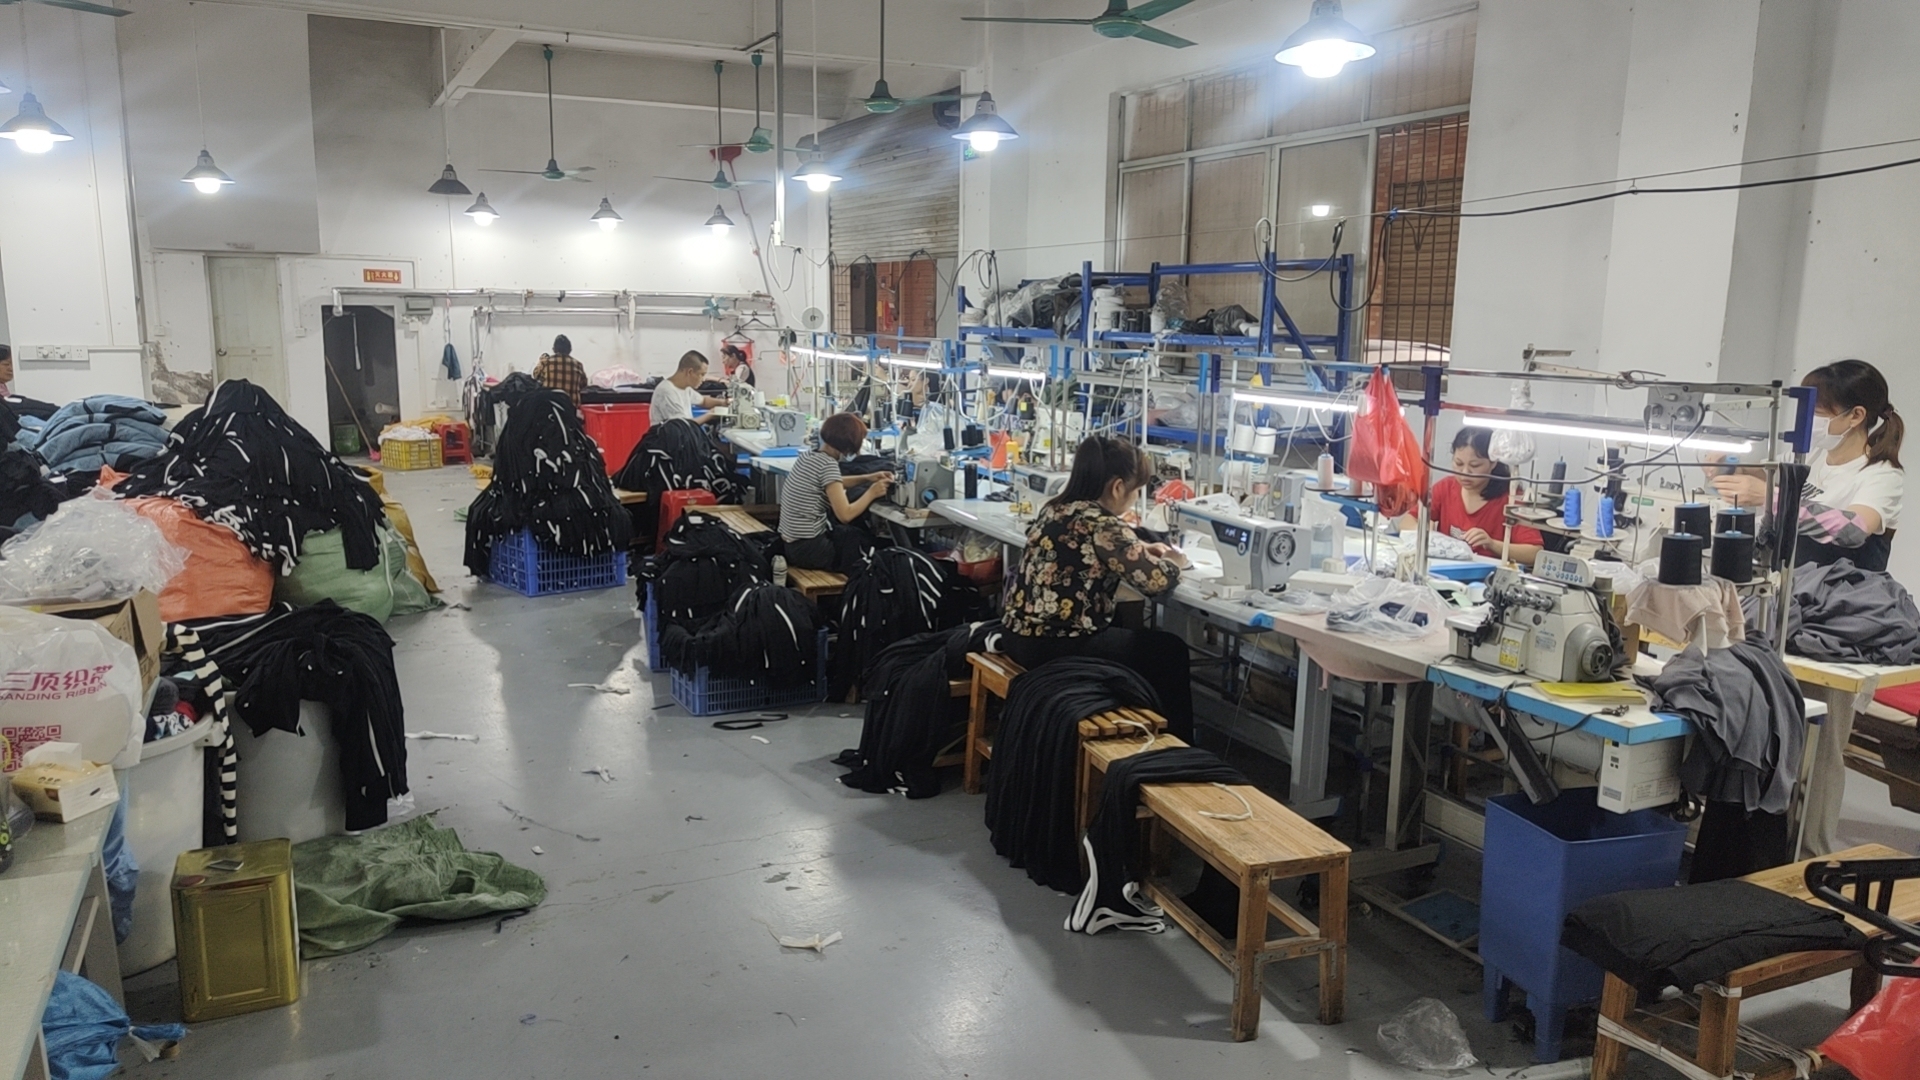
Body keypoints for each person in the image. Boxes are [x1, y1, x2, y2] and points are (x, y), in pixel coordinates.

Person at [1001, 435, 1196, 740]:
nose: (1134, 497)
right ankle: (1177, 743)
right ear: (1117, 487)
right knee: (1169, 651)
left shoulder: (1056, 508)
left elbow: (1090, 548)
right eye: (1136, 490)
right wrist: (1175, 562)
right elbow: (1155, 583)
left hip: (1017, 635)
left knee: (1127, 630)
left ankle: (1142, 721)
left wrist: (1140, 548)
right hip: (1052, 645)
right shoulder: (1103, 523)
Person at [1712, 358, 1904, 571]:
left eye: (1817, 412)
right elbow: (1763, 476)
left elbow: (1854, 530)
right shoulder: (1812, 456)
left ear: (1856, 415)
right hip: (1792, 582)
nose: (1807, 418)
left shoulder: (1882, 475)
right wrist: (1730, 467)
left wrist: (1773, 500)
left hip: (1841, 588)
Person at [779, 412, 892, 571]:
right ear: (849, 444)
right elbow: (845, 515)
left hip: (791, 545)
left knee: (849, 534)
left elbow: (834, 484)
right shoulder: (828, 465)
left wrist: (867, 478)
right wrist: (872, 492)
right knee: (863, 545)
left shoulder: (809, 457)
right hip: (810, 550)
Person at [1415, 428, 1544, 565]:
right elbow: (1408, 521)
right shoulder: (1446, 487)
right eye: (1458, 463)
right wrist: (1429, 534)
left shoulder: (1512, 499)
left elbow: (1534, 553)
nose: (1465, 472)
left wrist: (1492, 544)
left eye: (1475, 465)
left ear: (1493, 462)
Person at [651, 351, 729, 426]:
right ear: (690, 372)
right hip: (670, 435)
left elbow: (704, 401)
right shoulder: (666, 391)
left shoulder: (685, 388)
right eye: (701, 374)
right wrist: (711, 414)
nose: (703, 379)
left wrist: (725, 402)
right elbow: (683, 426)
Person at [533, 335, 587, 405]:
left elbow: (535, 376)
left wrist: (540, 362)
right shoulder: (578, 365)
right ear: (570, 350)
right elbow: (584, 384)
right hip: (572, 407)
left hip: (550, 405)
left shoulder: (546, 362)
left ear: (554, 349)